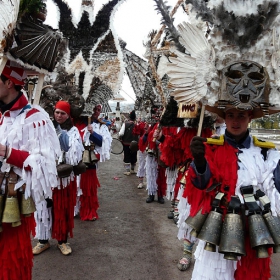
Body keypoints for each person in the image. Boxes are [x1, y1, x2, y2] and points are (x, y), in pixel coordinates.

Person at [185, 107, 280, 279]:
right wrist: (199, 162)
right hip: (218, 225)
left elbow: (275, 188)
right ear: (225, 118)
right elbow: (201, 184)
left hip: (253, 228)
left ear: (250, 117)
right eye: (230, 115)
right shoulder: (211, 147)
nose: (235, 121)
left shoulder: (266, 152)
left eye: (241, 116)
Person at [0, 60, 60, 279]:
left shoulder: (36, 117)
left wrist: (7, 152)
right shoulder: (2, 116)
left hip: (12, 199)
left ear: (8, 83)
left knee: (10, 262)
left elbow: (45, 165)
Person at [33, 100, 84, 256]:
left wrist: (61, 135)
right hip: (45, 177)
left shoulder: (73, 131)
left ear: (68, 115)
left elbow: (74, 154)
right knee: (43, 207)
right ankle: (43, 240)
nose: (59, 115)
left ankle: (62, 241)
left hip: (62, 178)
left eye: (63, 113)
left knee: (62, 208)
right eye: (57, 112)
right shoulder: (45, 127)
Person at [74, 104, 112, 221]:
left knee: (88, 187)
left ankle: (89, 211)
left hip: (89, 162)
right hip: (75, 161)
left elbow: (103, 143)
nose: (96, 112)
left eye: (98, 110)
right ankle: (75, 209)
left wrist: (92, 133)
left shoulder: (101, 125)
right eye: (94, 109)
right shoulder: (76, 123)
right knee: (75, 186)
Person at [119, 110, 138, 175]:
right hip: (135, 144)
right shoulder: (136, 125)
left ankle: (127, 171)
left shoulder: (125, 124)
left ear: (129, 117)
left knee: (127, 156)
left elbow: (121, 133)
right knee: (134, 156)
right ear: (135, 118)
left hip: (126, 143)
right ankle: (132, 169)